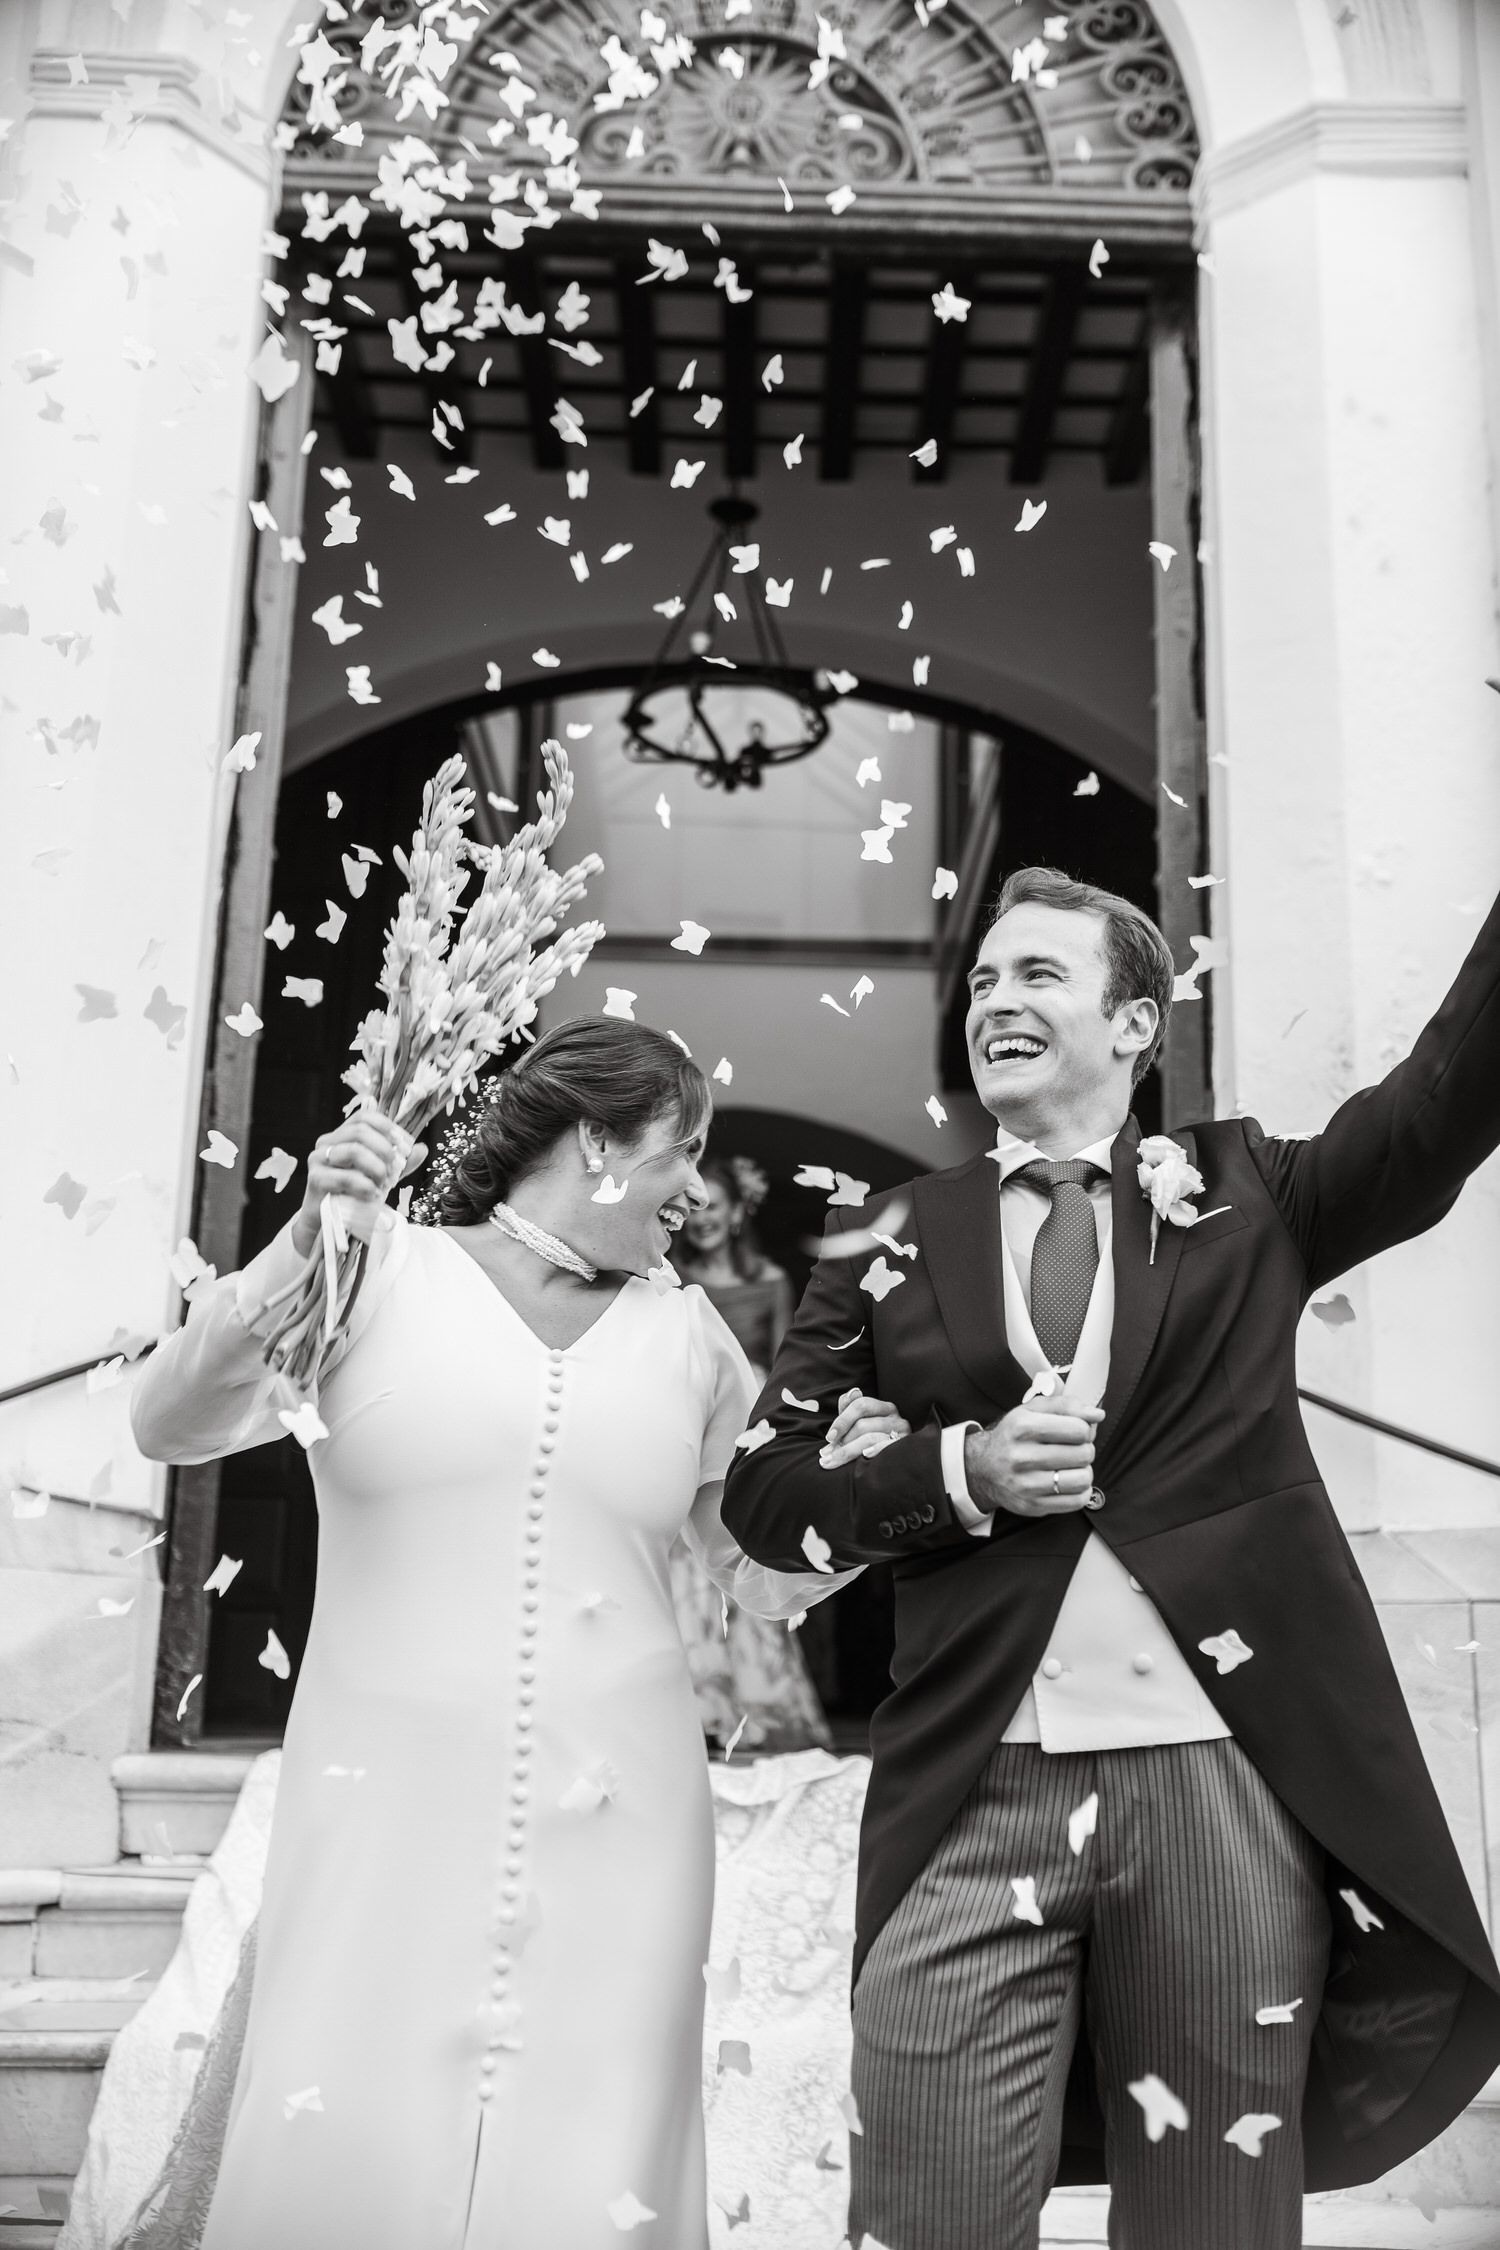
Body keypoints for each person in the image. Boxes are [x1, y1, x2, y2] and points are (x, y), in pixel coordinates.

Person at [722, 866, 1500, 2250]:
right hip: (974, 1780)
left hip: (1221, 1785)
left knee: (1213, 2214)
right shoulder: (884, 1233)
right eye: (983, 983)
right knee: (929, 2205)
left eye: (1037, 975)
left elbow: (1443, 1105)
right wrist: (964, 1470)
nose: (995, 1002)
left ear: (1136, 1021)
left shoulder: (1254, 1190)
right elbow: (769, 1494)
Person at [126, 1018, 899, 2250]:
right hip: (382, 1793)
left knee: (592, 2146)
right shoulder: (376, 1270)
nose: (699, 1187)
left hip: (628, 1813)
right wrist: (304, 1233)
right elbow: (168, 1423)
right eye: (680, 1147)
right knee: (350, 2118)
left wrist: (851, 1502)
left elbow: (752, 1578)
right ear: (594, 1141)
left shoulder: (692, 1338)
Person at [668, 1157, 829, 1753]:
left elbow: (792, 1369)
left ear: (738, 1212)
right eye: (697, 1205)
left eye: (718, 1205)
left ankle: (754, 1706)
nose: (704, 1218)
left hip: (748, 1430)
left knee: (741, 1548)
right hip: (690, 1417)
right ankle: (698, 1704)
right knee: (687, 1558)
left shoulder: (769, 1278)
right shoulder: (666, 1276)